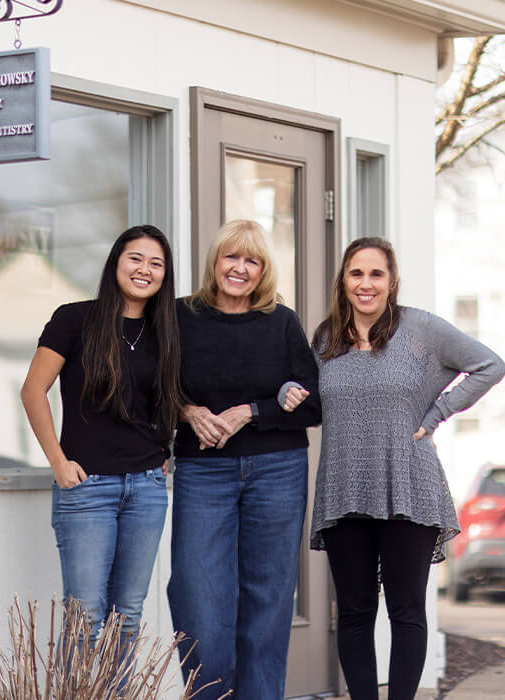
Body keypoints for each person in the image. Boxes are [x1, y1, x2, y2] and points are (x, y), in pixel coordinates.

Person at [309, 236, 505, 700]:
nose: (366, 283)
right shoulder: (325, 337)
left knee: (406, 611)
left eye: (376, 273)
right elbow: (309, 399)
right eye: (356, 273)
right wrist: (284, 396)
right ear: (343, 280)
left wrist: (437, 414)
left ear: (391, 280)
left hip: (408, 484)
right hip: (344, 488)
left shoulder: (421, 331)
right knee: (354, 613)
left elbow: (489, 365)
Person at [167, 219, 321, 700]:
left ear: (263, 271)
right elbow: (150, 387)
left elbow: (315, 404)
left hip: (277, 469)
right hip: (202, 471)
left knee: (267, 599)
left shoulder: (282, 321)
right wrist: (188, 412)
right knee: (199, 596)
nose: (240, 268)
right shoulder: (177, 317)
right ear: (215, 260)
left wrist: (251, 411)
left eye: (252, 260)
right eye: (231, 257)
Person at [21, 224, 182, 650]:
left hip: (146, 488)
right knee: (85, 617)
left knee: (126, 617)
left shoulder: (166, 331)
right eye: (135, 259)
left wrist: (163, 448)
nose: (144, 270)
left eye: (156, 264)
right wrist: (57, 461)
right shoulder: (73, 319)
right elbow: (33, 391)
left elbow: (165, 399)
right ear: (115, 262)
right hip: (87, 486)